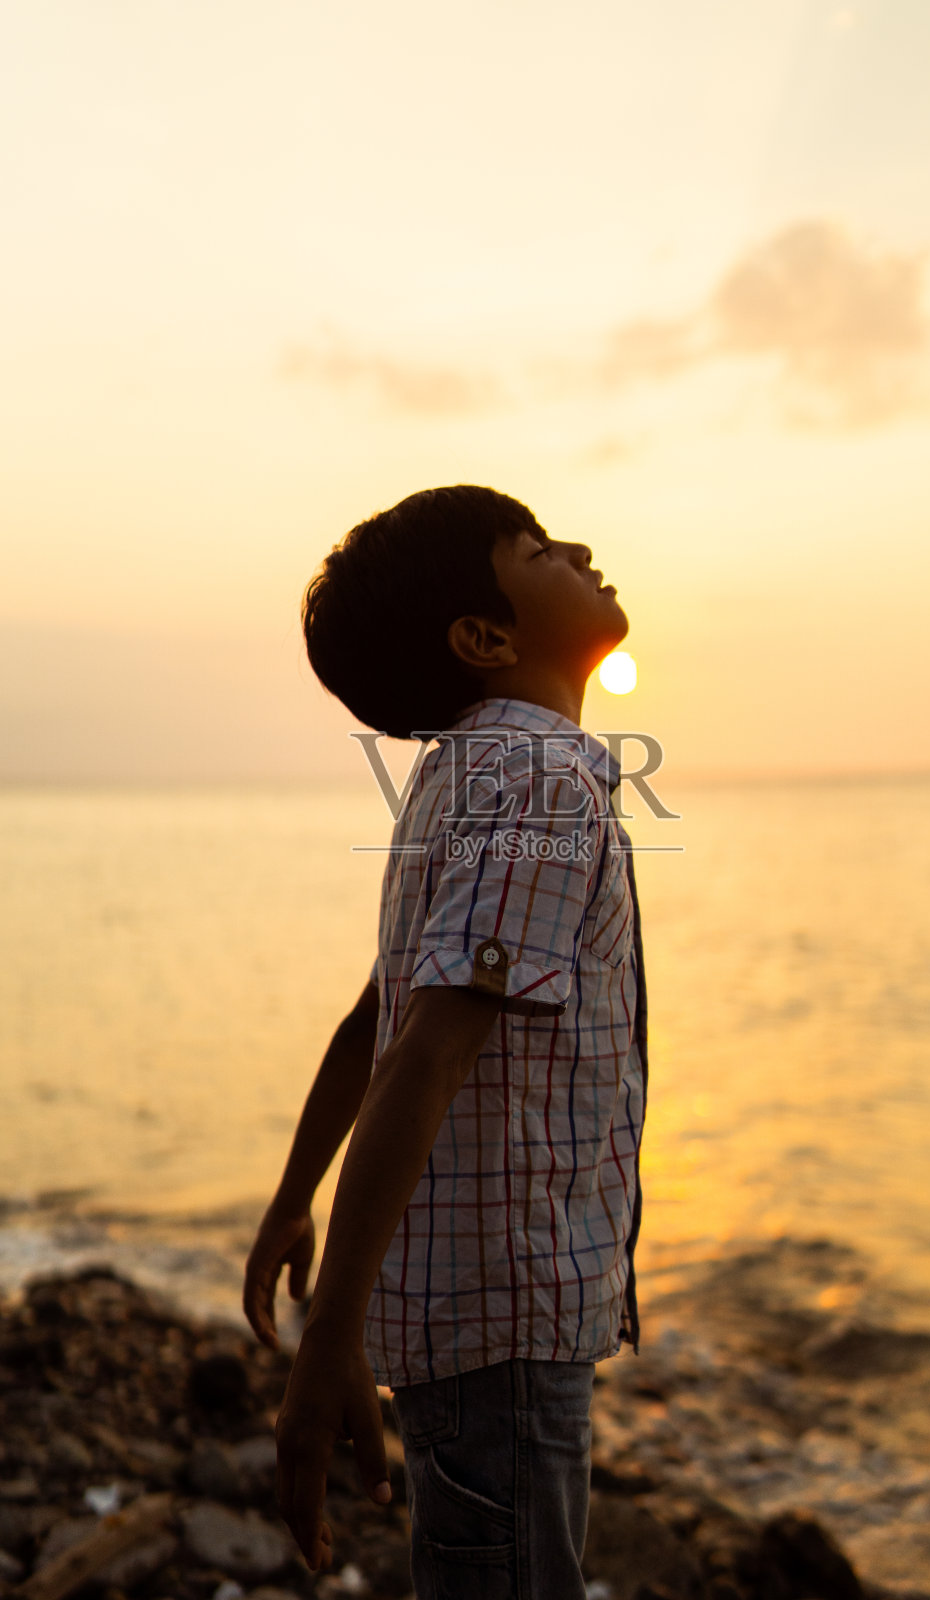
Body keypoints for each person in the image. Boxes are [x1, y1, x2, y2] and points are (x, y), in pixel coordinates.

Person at [243, 485, 648, 1600]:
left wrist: (294, 1196)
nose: (578, 545)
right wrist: (327, 1340)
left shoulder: (454, 776)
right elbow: (419, 1050)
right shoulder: (540, 781)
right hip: (506, 1313)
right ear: (484, 636)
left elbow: (375, 1012)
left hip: (461, 1306)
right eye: (535, 547)